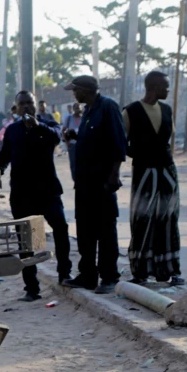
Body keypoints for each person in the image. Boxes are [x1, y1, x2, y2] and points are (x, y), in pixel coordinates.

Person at [0, 91, 73, 301]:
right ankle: (31, 288)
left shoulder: (48, 125)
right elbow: (4, 157)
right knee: (26, 240)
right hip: (22, 193)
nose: (26, 107)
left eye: (29, 102)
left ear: (35, 104)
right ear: (16, 108)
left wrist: (37, 126)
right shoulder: (12, 130)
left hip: (47, 190)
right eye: (22, 103)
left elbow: (56, 138)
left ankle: (64, 273)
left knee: (60, 229)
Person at [62, 76, 127, 294]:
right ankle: (88, 275)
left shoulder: (107, 107)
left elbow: (118, 142)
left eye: (75, 90)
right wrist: (75, 136)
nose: (74, 94)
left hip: (102, 182)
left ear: (85, 90)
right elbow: (93, 140)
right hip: (84, 183)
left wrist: (114, 175)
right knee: (85, 230)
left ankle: (109, 277)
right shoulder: (88, 110)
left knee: (105, 229)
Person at [123, 71, 184, 286]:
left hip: (167, 171)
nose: (168, 90)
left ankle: (170, 270)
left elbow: (167, 141)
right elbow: (121, 142)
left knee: (168, 219)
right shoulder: (131, 111)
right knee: (142, 219)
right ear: (155, 87)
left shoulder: (166, 110)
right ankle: (140, 271)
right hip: (144, 171)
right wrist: (139, 154)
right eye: (165, 87)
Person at [62, 103, 84, 184]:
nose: (78, 109)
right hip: (72, 144)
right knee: (73, 163)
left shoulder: (84, 118)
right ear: (74, 109)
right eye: (76, 108)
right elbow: (63, 130)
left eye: (79, 108)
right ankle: (75, 180)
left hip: (82, 144)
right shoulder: (69, 118)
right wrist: (67, 142)